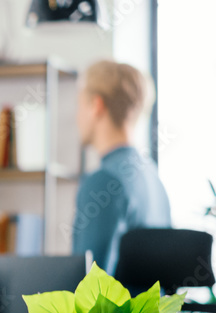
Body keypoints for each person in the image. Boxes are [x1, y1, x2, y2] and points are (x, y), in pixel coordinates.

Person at [72, 60, 171, 273]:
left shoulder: (103, 181)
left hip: (118, 308)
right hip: (154, 307)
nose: (76, 117)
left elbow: (87, 287)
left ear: (96, 105)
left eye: (80, 105)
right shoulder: (152, 176)